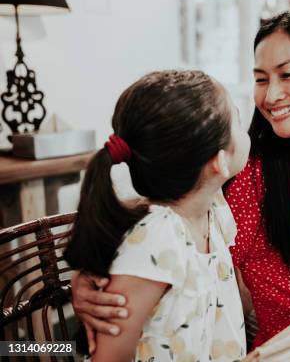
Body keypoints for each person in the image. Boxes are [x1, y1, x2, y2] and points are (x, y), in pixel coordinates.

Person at [70, 10, 290, 350]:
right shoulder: (246, 171)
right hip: (288, 352)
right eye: (261, 79)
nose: (271, 95)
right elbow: (174, 215)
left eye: (287, 74)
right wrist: (94, 277)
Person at [64, 70, 250, 361]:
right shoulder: (158, 238)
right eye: (238, 121)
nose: (245, 128)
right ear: (219, 162)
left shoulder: (213, 206)